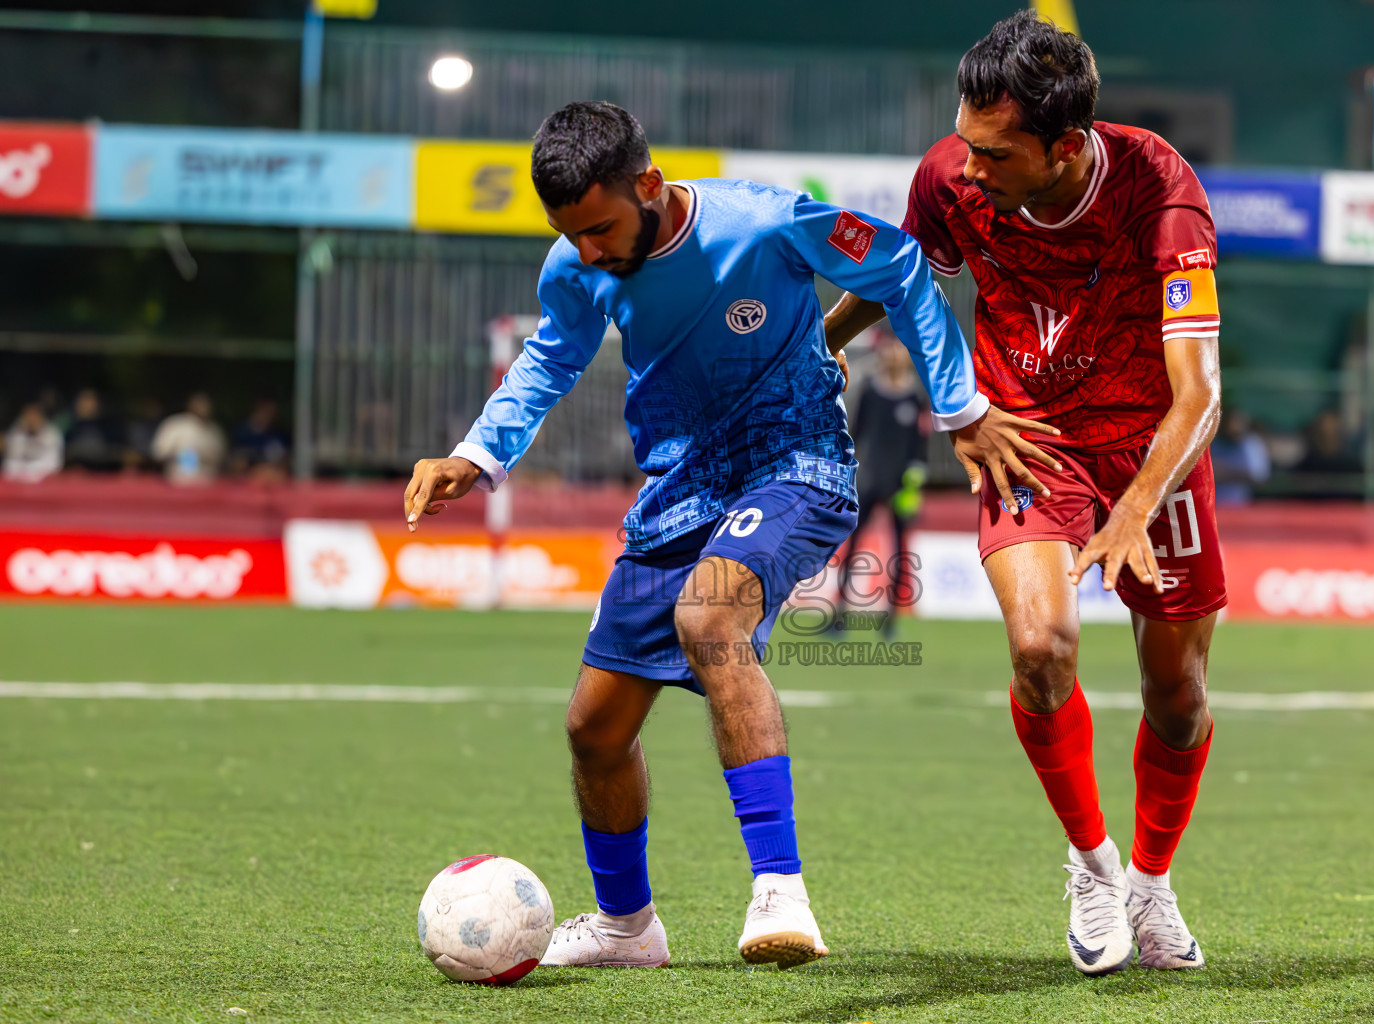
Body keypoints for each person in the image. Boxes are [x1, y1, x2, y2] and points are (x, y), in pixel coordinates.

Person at [402, 101, 1040, 971]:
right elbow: (552, 357)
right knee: (594, 727)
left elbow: (901, 265)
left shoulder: (767, 222)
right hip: (676, 493)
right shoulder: (574, 264)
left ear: (650, 186)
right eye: (571, 235)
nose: (587, 251)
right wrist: (476, 453)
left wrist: (961, 406)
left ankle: (781, 893)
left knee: (710, 623)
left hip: (796, 467)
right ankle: (627, 929)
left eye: (598, 228)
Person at [826, 10, 1224, 975]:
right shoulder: (951, 178)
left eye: (994, 154)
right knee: (1042, 648)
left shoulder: (1162, 191)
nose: (967, 170)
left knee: (1176, 696)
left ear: (1065, 146)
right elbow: (900, 276)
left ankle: (1151, 881)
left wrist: (1134, 509)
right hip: (1026, 438)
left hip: (1151, 451)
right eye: (964, 142)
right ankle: (1091, 865)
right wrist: (814, 347)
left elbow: (1201, 393)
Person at [835, 332, 929, 632]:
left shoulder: (914, 396)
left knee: (900, 551)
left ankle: (891, 619)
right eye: (890, 348)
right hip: (870, 480)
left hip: (901, 485)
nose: (894, 353)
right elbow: (855, 434)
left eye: (899, 348)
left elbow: (920, 446)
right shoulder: (871, 391)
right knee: (853, 546)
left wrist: (915, 485)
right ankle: (839, 614)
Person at [151, 393, 225, 484]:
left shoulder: (215, 430)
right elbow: (159, 452)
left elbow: (221, 456)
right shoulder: (175, 424)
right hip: (178, 480)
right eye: (200, 405)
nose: (203, 408)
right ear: (190, 406)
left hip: (208, 481)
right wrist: (180, 456)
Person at [1207, 408, 1270, 506]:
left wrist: (1225, 472)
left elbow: (1258, 476)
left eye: (1237, 422)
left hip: (1241, 506)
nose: (1234, 427)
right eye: (1230, 422)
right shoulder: (1211, 442)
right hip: (1213, 505)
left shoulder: (1250, 444)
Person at [3, 403, 64, 482]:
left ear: (41, 418)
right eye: (28, 417)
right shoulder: (16, 433)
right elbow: (10, 461)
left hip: (44, 480)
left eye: (34, 417)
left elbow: (54, 464)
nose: (31, 420)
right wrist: (23, 474)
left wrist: (31, 473)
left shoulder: (52, 435)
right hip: (18, 479)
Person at [230, 398, 290, 479]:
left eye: (272, 412)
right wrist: (255, 471)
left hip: (274, 480)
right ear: (258, 408)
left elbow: (285, 462)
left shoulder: (279, 434)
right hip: (248, 481)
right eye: (266, 410)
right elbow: (237, 464)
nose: (270, 415)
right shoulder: (242, 433)